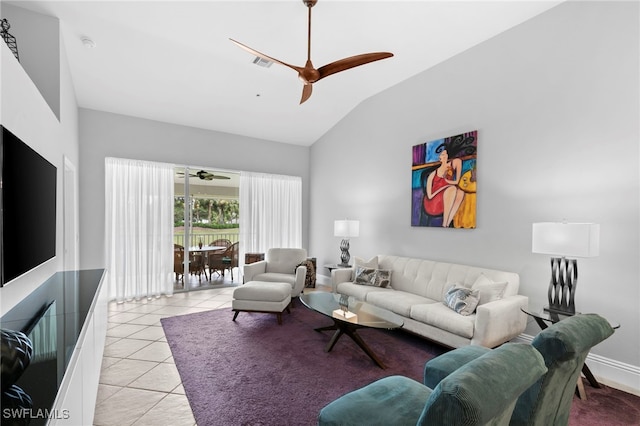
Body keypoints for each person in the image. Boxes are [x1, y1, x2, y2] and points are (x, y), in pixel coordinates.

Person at [423, 147, 465, 228]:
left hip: (448, 198)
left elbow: (457, 182)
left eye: (445, 154)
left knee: (460, 192)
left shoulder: (453, 163)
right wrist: (444, 187)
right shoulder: (433, 174)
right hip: (433, 203)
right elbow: (430, 196)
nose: (443, 156)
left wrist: (446, 181)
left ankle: (447, 224)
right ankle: (444, 224)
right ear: (440, 158)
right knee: (452, 189)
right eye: (442, 155)